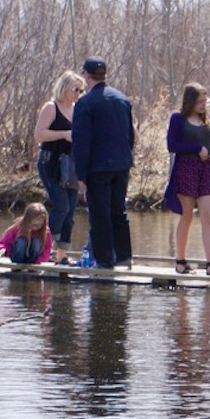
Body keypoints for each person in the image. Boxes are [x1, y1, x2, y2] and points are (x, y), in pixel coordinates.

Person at [73, 57, 135, 269]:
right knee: (119, 211)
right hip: (122, 165)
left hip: (98, 168)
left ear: (87, 75)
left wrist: (81, 175)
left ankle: (105, 260)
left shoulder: (85, 103)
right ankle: (125, 257)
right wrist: (127, 158)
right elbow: (130, 135)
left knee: (99, 215)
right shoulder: (122, 100)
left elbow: (81, 142)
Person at [164, 83, 210, 275]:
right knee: (187, 216)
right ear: (190, 101)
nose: (202, 105)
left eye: (204, 101)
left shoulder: (209, 120)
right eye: (199, 101)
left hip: (206, 170)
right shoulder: (178, 118)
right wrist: (196, 148)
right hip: (186, 169)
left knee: (207, 217)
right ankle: (181, 261)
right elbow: (171, 145)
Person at [33, 70, 84, 246]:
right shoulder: (51, 107)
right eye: (75, 89)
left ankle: (62, 251)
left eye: (81, 91)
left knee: (70, 212)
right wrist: (63, 134)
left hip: (70, 165)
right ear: (64, 88)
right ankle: (46, 245)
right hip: (50, 163)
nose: (78, 94)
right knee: (61, 206)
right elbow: (39, 135)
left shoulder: (78, 110)